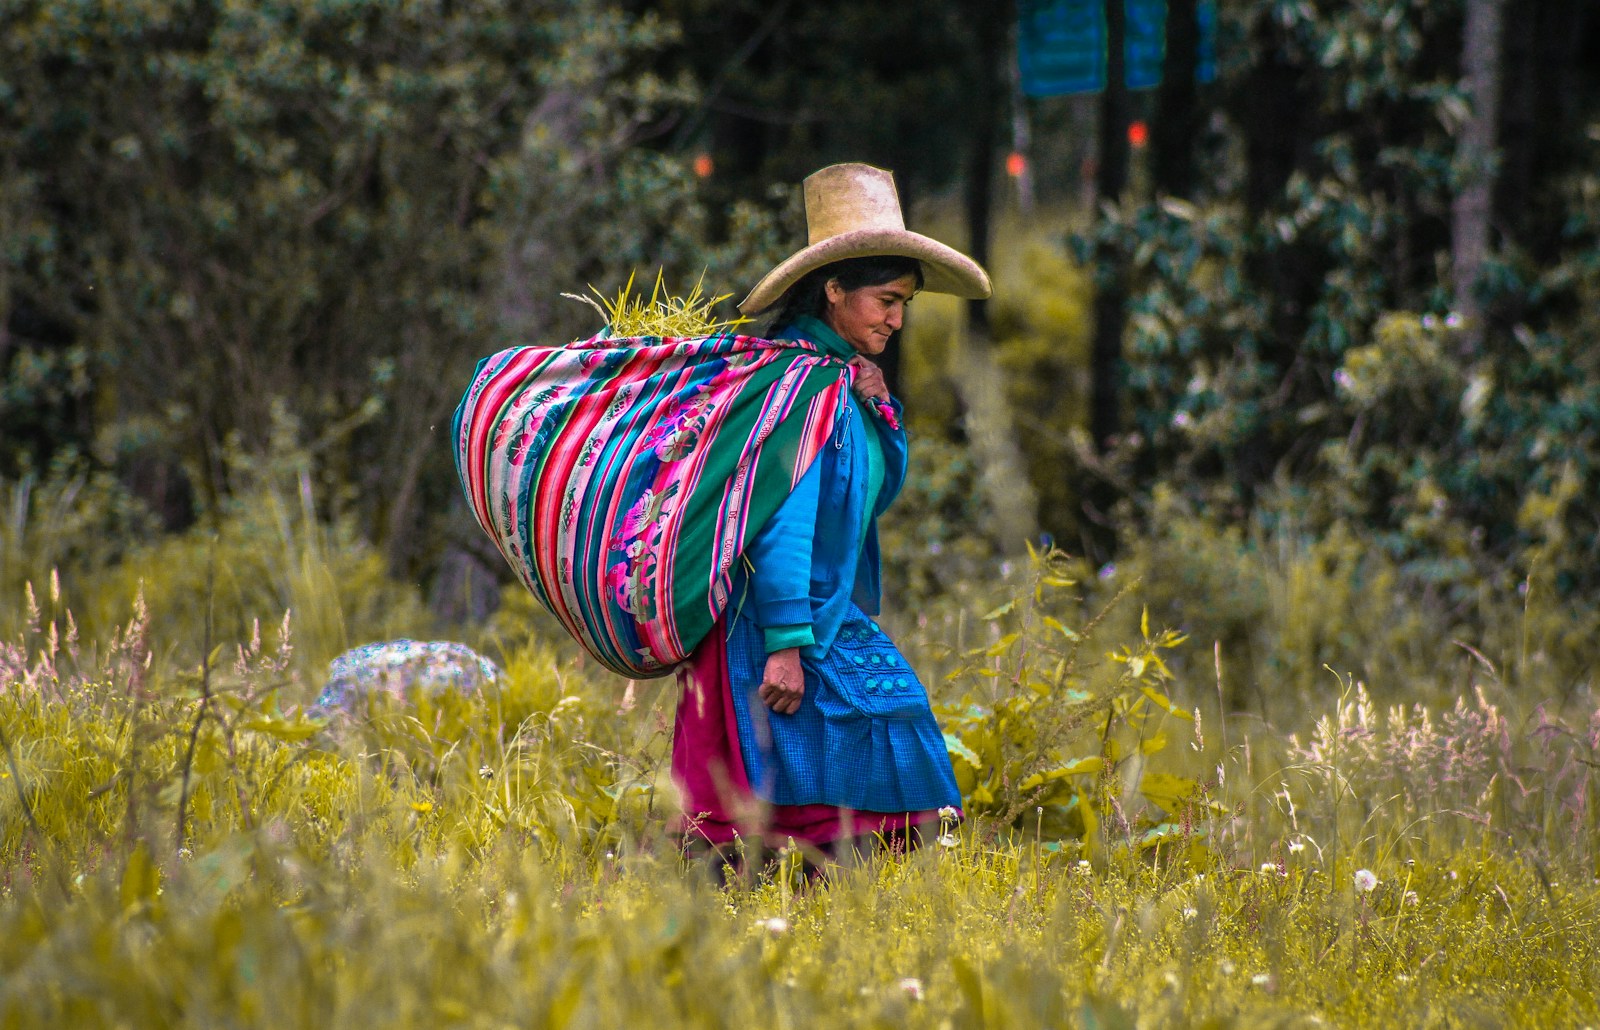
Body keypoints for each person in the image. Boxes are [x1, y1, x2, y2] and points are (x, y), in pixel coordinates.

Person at [671, 163, 992, 865]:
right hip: (771, 616)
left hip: (823, 607)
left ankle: (804, 909)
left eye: (905, 302)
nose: (897, 319)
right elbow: (785, 517)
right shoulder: (801, 386)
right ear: (835, 289)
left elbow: (869, 497)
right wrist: (785, 644)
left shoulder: (840, 385)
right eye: (885, 299)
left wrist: (880, 414)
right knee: (864, 736)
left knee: (866, 744)